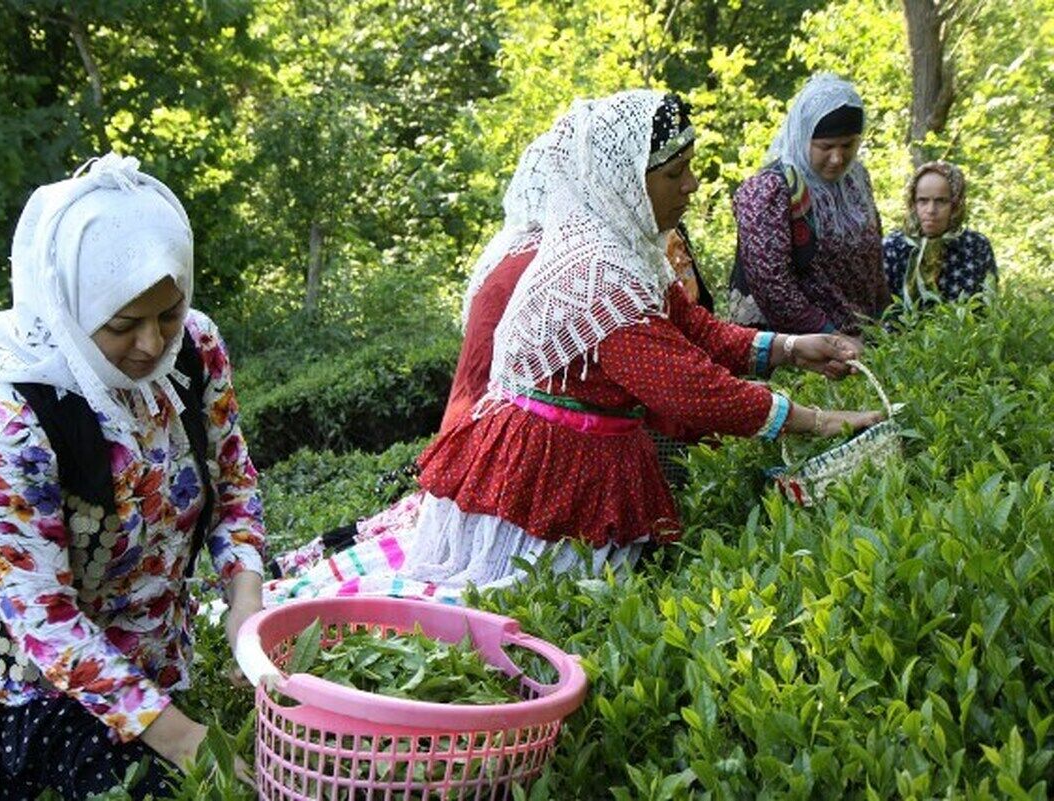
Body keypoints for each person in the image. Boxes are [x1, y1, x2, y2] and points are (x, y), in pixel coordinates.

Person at [262, 90, 883, 606]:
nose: (692, 186)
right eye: (674, 174)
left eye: (690, 168)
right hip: (544, 474)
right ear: (624, 180)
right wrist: (815, 421)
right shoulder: (596, 270)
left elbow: (695, 330)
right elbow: (690, 389)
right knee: (507, 606)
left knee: (566, 603)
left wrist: (794, 347)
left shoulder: (627, 246)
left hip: (585, 458)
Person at [0, 154, 265, 799]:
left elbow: (234, 482)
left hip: (152, 661)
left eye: (169, 311)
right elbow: (44, 619)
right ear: (67, 304)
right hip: (28, 686)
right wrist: (185, 740)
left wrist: (246, 605)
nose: (153, 345)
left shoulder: (196, 347)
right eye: (122, 325)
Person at [728, 73, 890, 334]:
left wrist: (884, 321)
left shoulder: (855, 181)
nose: (837, 158)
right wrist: (830, 337)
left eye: (847, 145)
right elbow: (772, 284)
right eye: (826, 146)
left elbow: (873, 261)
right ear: (802, 137)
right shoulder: (771, 189)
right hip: (794, 349)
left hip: (860, 341)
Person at [883, 160, 997, 307]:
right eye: (923, 201)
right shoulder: (893, 247)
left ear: (955, 204)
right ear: (913, 203)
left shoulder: (975, 246)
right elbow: (878, 311)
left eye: (941, 201)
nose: (931, 210)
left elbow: (988, 307)